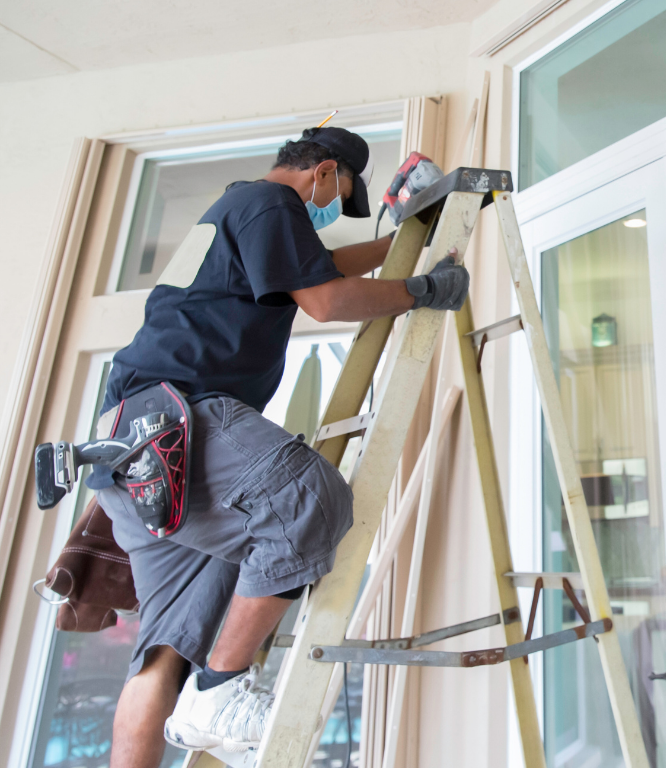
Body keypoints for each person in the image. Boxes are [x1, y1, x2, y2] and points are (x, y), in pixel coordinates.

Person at [90, 126, 469, 767]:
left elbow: (324, 270)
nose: (331, 209)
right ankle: (219, 693)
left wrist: (407, 241)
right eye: (339, 193)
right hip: (173, 426)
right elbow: (323, 299)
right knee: (307, 501)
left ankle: (200, 693)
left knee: (165, 650)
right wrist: (418, 293)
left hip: (133, 447)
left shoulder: (240, 212)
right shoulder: (270, 205)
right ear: (322, 172)